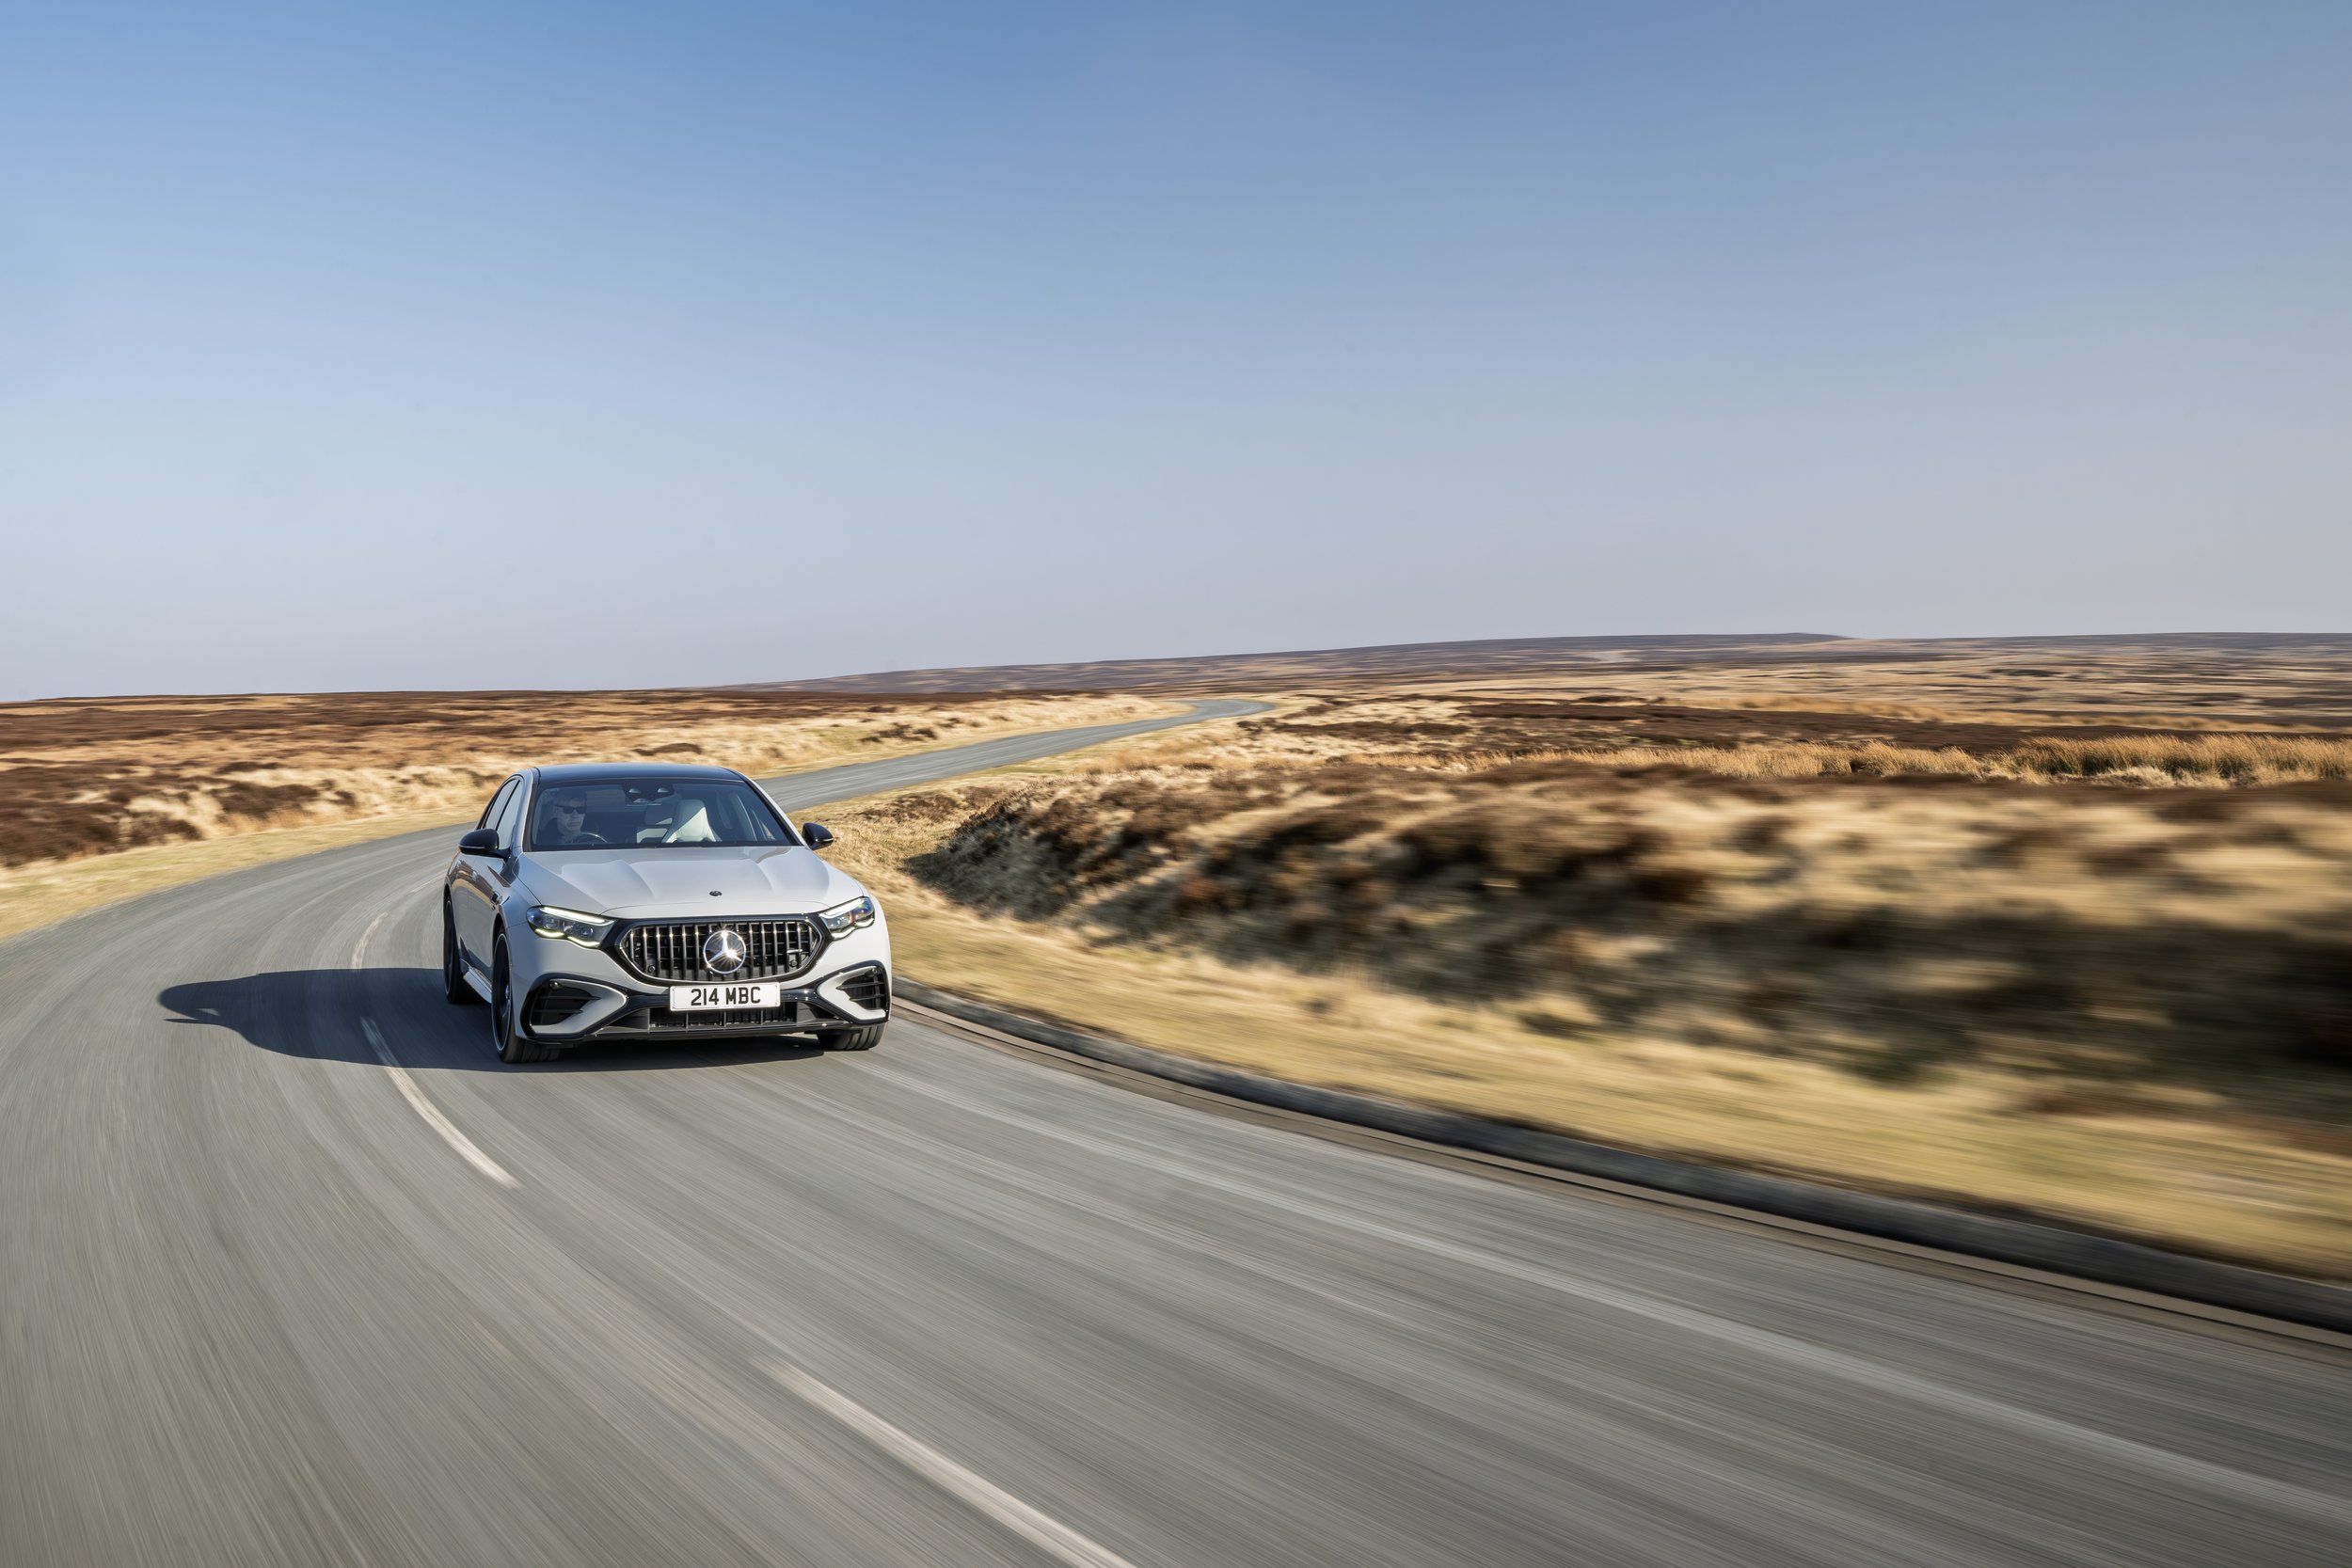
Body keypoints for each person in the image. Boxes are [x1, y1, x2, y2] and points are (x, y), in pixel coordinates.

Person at [542, 796, 607, 846]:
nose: (575, 816)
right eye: (568, 810)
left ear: (584, 814)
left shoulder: (599, 843)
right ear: (555, 811)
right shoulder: (540, 842)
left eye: (581, 810)